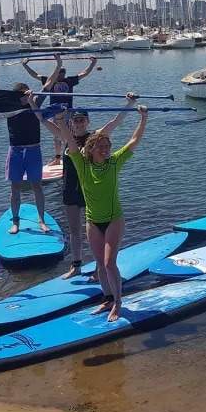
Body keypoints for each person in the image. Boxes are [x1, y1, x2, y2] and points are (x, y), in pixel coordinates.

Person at [64, 104, 150, 321]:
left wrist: (143, 118)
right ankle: (108, 298)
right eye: (100, 146)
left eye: (107, 145)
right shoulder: (82, 166)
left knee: (110, 262)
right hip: (92, 221)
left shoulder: (114, 163)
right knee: (100, 265)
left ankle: (119, 303)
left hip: (114, 220)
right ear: (90, 149)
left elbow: (133, 141)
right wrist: (60, 119)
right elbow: (70, 140)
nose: (105, 149)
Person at [41, 94, 136, 278]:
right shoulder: (65, 137)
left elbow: (116, 121)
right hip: (70, 188)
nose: (78, 123)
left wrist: (130, 103)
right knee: (74, 230)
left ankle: (97, 269)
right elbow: (43, 120)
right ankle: (76, 265)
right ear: (71, 122)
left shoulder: (95, 137)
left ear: (87, 121)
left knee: (93, 231)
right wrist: (30, 102)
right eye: (75, 120)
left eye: (82, 120)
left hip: (90, 190)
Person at [0, 55, 61, 234]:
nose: (26, 97)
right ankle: (15, 221)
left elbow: (49, 83)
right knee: (15, 187)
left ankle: (41, 220)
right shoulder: (9, 105)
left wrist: (59, 64)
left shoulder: (36, 102)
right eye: (22, 95)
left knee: (37, 187)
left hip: (34, 150)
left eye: (27, 93)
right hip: (15, 151)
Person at [21, 56, 99, 167]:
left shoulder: (69, 81)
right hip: (55, 112)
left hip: (68, 112)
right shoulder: (50, 80)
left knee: (71, 134)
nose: (61, 74)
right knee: (57, 136)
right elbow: (35, 75)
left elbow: (84, 73)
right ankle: (58, 158)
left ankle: (75, 154)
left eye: (63, 72)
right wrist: (25, 65)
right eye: (59, 72)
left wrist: (92, 64)